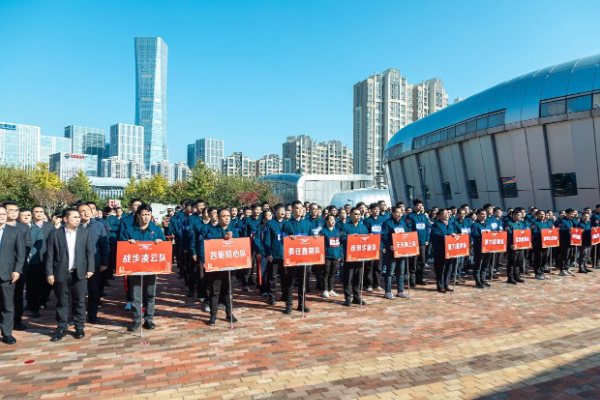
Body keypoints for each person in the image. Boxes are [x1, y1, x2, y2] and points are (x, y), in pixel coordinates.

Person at [46, 208, 95, 342]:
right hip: (61, 272)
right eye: (75, 217)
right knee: (62, 302)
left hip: (79, 272)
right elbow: (50, 255)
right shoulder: (55, 234)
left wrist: (90, 268)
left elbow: (90, 252)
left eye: (79, 217)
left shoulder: (85, 232)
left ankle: (79, 327)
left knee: (79, 301)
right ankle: (61, 327)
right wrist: (49, 273)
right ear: (65, 219)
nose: (78, 219)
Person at [120, 204, 166, 331]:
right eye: (144, 214)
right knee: (136, 296)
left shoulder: (156, 230)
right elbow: (122, 247)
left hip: (151, 268)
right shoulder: (129, 231)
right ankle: (136, 320)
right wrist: (128, 244)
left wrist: (160, 242)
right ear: (138, 215)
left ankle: (149, 319)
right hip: (135, 269)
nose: (146, 217)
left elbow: (164, 248)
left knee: (150, 295)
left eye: (148, 214)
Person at [205, 208, 238, 326]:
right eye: (224, 216)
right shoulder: (212, 230)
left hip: (230, 266)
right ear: (218, 218)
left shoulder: (234, 230)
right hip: (217, 267)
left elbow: (239, 245)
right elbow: (209, 244)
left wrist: (232, 239)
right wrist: (222, 238)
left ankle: (229, 314)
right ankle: (213, 316)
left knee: (229, 291)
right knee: (215, 292)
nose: (227, 218)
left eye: (228, 216)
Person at [77, 204, 109, 324]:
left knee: (94, 291)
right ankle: (78, 316)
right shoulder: (74, 226)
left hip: (95, 263)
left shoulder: (99, 226)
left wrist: (104, 262)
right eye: (83, 211)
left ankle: (92, 315)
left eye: (88, 210)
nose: (86, 213)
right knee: (78, 293)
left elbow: (104, 245)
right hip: (78, 265)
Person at [281, 200, 315, 314]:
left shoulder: (307, 224)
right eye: (297, 208)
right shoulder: (287, 224)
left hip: (304, 257)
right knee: (290, 281)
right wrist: (288, 238)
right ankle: (289, 305)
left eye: (301, 208)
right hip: (292, 257)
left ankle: (302, 304)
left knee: (303, 282)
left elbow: (311, 239)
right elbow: (282, 238)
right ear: (292, 210)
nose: (299, 210)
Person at [3, 201, 32, 331]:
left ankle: (17, 320)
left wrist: (18, 263)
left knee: (17, 295)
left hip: (18, 267)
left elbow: (27, 245)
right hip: (2, 267)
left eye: (16, 210)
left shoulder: (23, 227)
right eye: (10, 210)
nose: (14, 213)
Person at [0, 206, 26, 345]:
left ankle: (7, 333)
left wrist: (17, 270)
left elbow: (21, 253)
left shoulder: (14, 231)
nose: (2, 216)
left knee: (7, 304)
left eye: (4, 214)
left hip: (7, 274)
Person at [381, 205, 410, 300]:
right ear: (392, 213)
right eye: (397, 212)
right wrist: (389, 245)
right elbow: (384, 236)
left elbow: (407, 235)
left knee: (401, 272)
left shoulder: (403, 223)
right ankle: (388, 291)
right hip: (391, 251)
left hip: (401, 251)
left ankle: (400, 290)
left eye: (400, 212)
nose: (399, 214)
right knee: (390, 272)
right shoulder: (387, 223)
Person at [18, 208, 43, 318]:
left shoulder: (37, 229)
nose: (26, 217)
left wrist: (29, 255)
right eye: (23, 215)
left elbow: (38, 244)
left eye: (28, 215)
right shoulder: (14, 228)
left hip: (33, 261)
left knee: (33, 285)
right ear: (19, 216)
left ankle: (34, 308)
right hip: (18, 262)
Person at [341, 207, 369, 307]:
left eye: (359, 214)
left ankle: (356, 297)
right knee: (348, 278)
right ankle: (347, 298)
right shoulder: (346, 227)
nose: (358, 216)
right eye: (356, 214)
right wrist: (352, 237)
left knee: (358, 277)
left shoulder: (363, 227)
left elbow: (367, 239)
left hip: (360, 256)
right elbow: (342, 238)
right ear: (351, 215)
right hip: (350, 256)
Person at [430, 209, 457, 293]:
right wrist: (447, 235)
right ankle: (440, 286)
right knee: (441, 268)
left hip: (450, 249)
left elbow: (455, 233)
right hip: (440, 250)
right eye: (444, 214)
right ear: (439, 216)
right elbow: (435, 235)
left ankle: (446, 284)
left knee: (449, 268)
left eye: (447, 213)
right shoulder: (436, 225)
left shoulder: (451, 224)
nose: (446, 215)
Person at [264, 204, 286, 305]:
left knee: (285, 276)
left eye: (284, 210)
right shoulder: (270, 224)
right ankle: (272, 296)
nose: (282, 212)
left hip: (285, 255)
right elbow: (267, 240)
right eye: (280, 210)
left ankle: (285, 295)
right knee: (272, 277)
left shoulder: (287, 223)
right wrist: (268, 253)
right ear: (275, 212)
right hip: (274, 254)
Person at [405, 199, 431, 286]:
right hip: (414, 243)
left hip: (422, 243)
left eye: (421, 205)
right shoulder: (410, 216)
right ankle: (412, 280)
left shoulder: (424, 216)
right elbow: (408, 228)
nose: (420, 207)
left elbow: (427, 228)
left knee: (422, 261)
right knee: (413, 262)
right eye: (418, 205)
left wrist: (427, 239)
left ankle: (419, 279)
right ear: (414, 206)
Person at [470, 209, 495, 288]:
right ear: (477, 215)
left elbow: (492, 233)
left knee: (485, 264)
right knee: (478, 264)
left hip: (488, 247)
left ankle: (483, 279)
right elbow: (474, 235)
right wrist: (483, 235)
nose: (484, 216)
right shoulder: (475, 225)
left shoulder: (488, 224)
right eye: (482, 214)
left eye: (485, 214)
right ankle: (477, 281)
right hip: (479, 247)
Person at [363, 204, 384, 292]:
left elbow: (384, 234)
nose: (377, 211)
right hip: (370, 247)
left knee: (378, 267)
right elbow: (364, 232)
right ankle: (368, 285)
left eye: (378, 209)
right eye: (374, 209)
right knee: (369, 267)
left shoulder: (382, 220)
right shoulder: (367, 221)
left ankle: (377, 284)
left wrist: (383, 246)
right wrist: (368, 235)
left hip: (379, 246)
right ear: (370, 210)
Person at [319, 214, 342, 298]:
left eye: (334, 220)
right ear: (326, 221)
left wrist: (340, 254)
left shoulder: (337, 231)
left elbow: (340, 244)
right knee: (326, 273)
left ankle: (331, 289)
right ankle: (325, 290)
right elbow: (320, 244)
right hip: (327, 255)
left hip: (335, 255)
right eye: (331, 220)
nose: (333, 221)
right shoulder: (323, 231)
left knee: (332, 273)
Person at [505, 207, 529, 284]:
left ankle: (517, 276)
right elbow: (507, 235)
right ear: (513, 215)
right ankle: (510, 277)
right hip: (513, 246)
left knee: (519, 262)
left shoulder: (521, 223)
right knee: (512, 262)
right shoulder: (509, 224)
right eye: (518, 215)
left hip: (520, 245)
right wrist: (510, 244)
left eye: (521, 215)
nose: (520, 216)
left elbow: (524, 234)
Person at [242, 203, 262, 291]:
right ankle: (246, 282)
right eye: (256, 209)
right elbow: (245, 233)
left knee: (260, 264)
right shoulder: (248, 220)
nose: (258, 211)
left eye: (259, 209)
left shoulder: (262, 219)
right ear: (252, 210)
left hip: (260, 244)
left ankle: (259, 281)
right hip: (250, 244)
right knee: (250, 263)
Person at [530, 210, 553, 280]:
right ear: (537, 215)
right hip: (538, 244)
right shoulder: (535, 223)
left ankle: (542, 272)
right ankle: (537, 273)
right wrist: (540, 233)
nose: (542, 215)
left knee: (544, 259)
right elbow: (533, 234)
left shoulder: (545, 223)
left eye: (543, 214)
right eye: (540, 214)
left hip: (546, 244)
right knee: (538, 259)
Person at [555, 208, 576, 276]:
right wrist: (568, 229)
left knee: (569, 255)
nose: (572, 215)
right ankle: (562, 269)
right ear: (566, 214)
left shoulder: (571, 221)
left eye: (573, 214)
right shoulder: (562, 221)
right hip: (564, 241)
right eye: (570, 214)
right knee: (564, 256)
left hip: (570, 241)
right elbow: (559, 229)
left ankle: (567, 268)